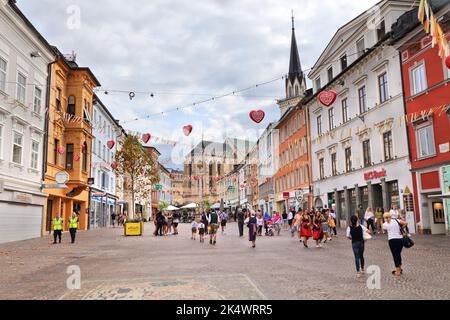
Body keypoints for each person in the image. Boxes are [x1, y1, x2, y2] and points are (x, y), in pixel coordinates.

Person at [383, 212, 408, 277]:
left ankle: (398, 271)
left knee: (395, 255)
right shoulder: (397, 220)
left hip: (392, 240)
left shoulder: (385, 224)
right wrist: (401, 229)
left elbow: (384, 231)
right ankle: (399, 268)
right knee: (398, 254)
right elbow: (405, 223)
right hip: (400, 239)